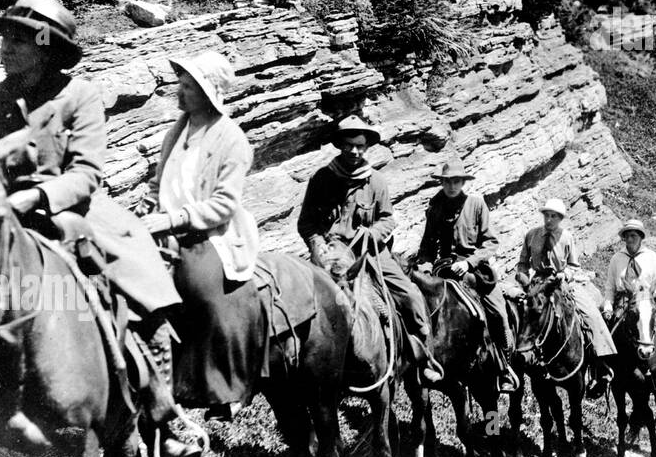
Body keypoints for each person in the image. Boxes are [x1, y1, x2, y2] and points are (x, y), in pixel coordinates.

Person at [0, 0, 199, 457]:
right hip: (3, 217)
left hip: (68, 213)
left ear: (45, 47)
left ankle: (165, 415)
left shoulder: (79, 96)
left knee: (140, 287)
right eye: (5, 37)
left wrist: (37, 197)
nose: (5, 47)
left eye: (18, 39)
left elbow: (86, 173)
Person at [142, 52, 266, 424]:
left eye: (188, 87)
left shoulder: (232, 139)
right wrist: (149, 209)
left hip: (208, 233)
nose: (179, 94)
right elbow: (159, 179)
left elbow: (224, 205)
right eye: (180, 85)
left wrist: (174, 218)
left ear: (208, 93)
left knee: (203, 292)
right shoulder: (177, 130)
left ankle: (222, 388)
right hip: (164, 226)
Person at [297, 116, 442, 384]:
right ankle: (298, 366)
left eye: (360, 146)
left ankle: (425, 358)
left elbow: (388, 219)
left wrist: (371, 234)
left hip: (371, 253)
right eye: (349, 145)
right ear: (340, 144)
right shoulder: (322, 178)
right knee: (296, 300)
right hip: (330, 254)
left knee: (411, 296)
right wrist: (317, 245)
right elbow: (307, 222)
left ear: (367, 147)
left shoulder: (376, 181)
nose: (354, 151)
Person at [415, 158, 511, 392]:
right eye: (447, 181)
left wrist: (469, 263)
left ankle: (504, 365)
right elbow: (427, 246)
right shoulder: (434, 207)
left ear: (463, 182)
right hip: (442, 270)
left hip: (473, 271)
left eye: (456, 181)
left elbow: (491, 242)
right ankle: (425, 362)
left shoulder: (476, 205)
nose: (451, 186)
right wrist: (425, 266)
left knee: (498, 310)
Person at [514, 197, 615, 398]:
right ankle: (512, 362)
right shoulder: (531, 235)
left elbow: (574, 265)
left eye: (554, 216)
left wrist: (564, 274)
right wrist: (523, 278)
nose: (549, 220)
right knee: (518, 314)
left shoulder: (567, 237)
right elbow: (523, 262)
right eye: (547, 215)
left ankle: (601, 363)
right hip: (537, 284)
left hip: (562, 285)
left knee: (591, 315)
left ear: (560, 219)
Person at [601, 219, 656, 388]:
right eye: (627, 236)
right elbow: (609, 286)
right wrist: (607, 307)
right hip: (623, 301)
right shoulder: (617, 258)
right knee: (601, 328)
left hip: (649, 300)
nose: (629, 239)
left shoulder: (651, 257)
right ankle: (601, 372)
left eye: (633, 235)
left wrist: (652, 297)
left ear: (641, 237)